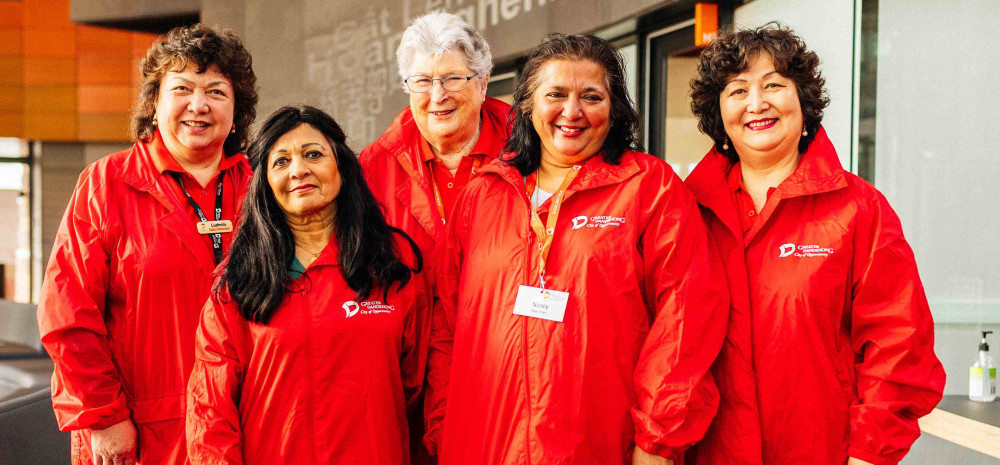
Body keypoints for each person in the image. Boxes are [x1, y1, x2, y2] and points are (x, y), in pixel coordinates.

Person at [425, 33, 728, 465]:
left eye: (591, 96)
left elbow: (686, 321)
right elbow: (446, 324)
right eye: (556, 94)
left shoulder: (649, 188)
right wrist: (442, 427)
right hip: (482, 440)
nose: (572, 112)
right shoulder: (484, 194)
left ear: (614, 108)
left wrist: (657, 440)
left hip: (600, 443)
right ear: (527, 104)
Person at [684, 24, 946, 465]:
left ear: (803, 102)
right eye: (737, 91)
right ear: (718, 113)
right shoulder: (685, 212)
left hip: (822, 451)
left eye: (774, 85)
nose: (757, 103)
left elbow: (899, 343)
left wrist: (869, 454)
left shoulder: (858, 209)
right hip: (709, 453)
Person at [36, 24, 257, 465]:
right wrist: (103, 416)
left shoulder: (261, 187)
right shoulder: (106, 184)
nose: (199, 105)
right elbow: (67, 315)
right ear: (155, 103)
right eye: (182, 89)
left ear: (237, 111)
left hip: (244, 423)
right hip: (137, 431)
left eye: (217, 91)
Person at [186, 106, 429, 465]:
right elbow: (210, 409)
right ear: (265, 183)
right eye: (280, 162)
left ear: (342, 167)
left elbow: (415, 388)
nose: (299, 170)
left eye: (313, 154)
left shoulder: (393, 265)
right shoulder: (239, 281)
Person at [358, 11, 510, 462]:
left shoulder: (530, 153)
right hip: (408, 385)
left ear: (482, 82)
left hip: (505, 368)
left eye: (452, 79)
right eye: (421, 81)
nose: (437, 96)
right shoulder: (371, 169)